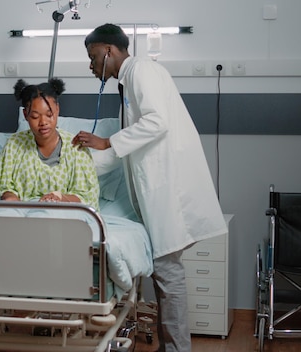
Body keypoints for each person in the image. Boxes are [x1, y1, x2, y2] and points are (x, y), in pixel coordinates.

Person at [72, 24, 228, 351]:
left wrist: (106, 141)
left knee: (168, 273)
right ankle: (170, 347)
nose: (90, 65)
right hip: (158, 191)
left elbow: (157, 122)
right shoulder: (129, 83)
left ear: (110, 51)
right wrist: (91, 155)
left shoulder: (143, 70)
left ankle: (176, 349)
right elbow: (132, 144)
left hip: (169, 191)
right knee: (165, 273)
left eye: (92, 56)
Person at [0, 78, 100, 209]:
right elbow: (6, 187)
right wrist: (11, 200)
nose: (43, 122)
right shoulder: (13, 146)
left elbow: (87, 198)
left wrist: (59, 198)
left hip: (65, 212)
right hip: (24, 212)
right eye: (35, 117)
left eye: (49, 115)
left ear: (57, 110)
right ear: (25, 115)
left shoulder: (77, 149)